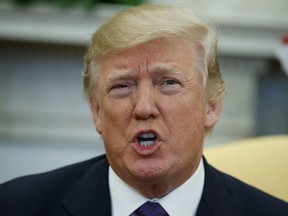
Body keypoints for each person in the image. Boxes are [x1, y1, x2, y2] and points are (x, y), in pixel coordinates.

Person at [0, 4, 287, 216]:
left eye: (169, 83)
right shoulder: (16, 205)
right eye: (123, 86)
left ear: (212, 106)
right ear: (97, 111)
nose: (144, 108)